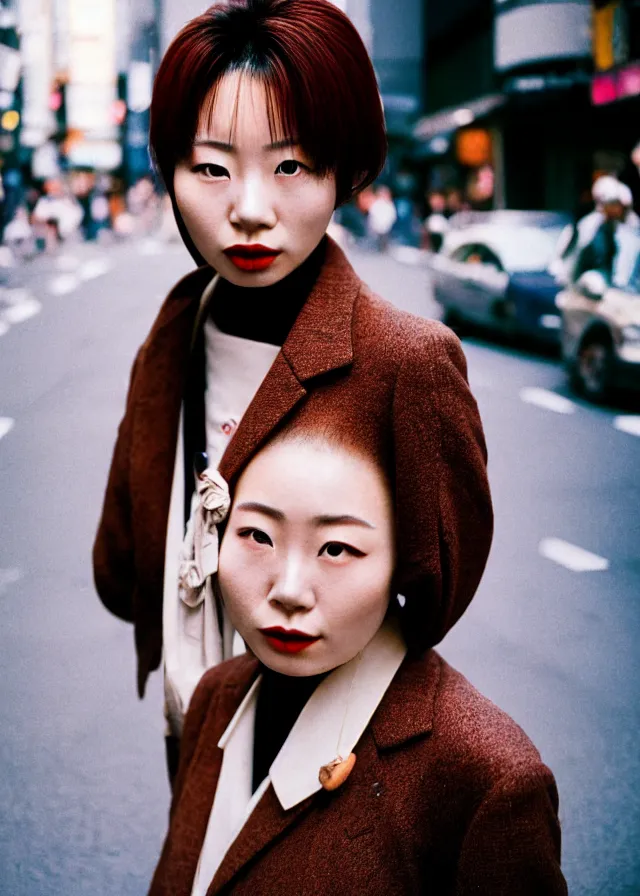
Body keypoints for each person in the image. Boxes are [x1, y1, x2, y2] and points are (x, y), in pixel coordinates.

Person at [93, 0, 492, 785]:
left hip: (332, 758)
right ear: (171, 171)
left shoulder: (405, 361)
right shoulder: (174, 331)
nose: (248, 208)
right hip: (193, 733)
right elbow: (121, 565)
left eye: (292, 166)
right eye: (211, 167)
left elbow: (437, 593)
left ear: (344, 171)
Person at [147, 429, 567, 895]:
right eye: (257, 536)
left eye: (336, 548)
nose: (288, 590)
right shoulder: (216, 695)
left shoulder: (486, 776)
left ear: (403, 562)